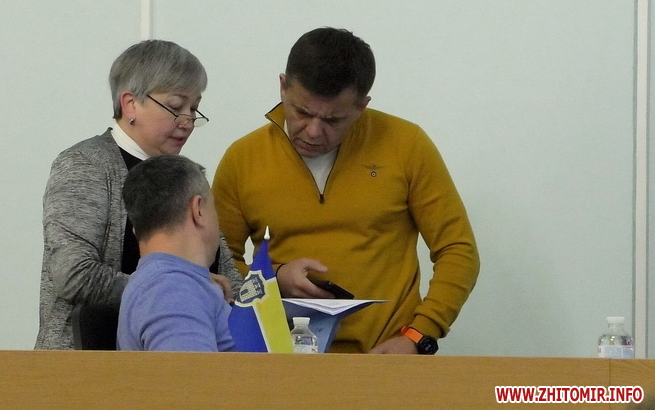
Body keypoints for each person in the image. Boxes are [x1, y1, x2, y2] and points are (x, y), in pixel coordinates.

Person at [212, 27, 480, 354]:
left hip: (389, 358)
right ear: (283, 86)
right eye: (302, 112)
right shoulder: (242, 159)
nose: (313, 131)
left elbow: (458, 250)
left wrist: (418, 336)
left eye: (333, 120)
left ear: (362, 106)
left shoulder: (407, 145)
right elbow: (217, 265)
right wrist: (274, 278)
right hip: (277, 360)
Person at [36, 40, 242, 350]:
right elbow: (74, 275)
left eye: (193, 108)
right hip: (88, 367)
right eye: (175, 107)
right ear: (130, 104)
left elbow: (230, 281)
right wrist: (181, 290)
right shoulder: (85, 165)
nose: (187, 121)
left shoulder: (188, 176)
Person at [117, 154, 235, 352]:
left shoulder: (170, 285)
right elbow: (190, 372)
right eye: (213, 207)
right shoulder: (173, 291)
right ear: (198, 210)